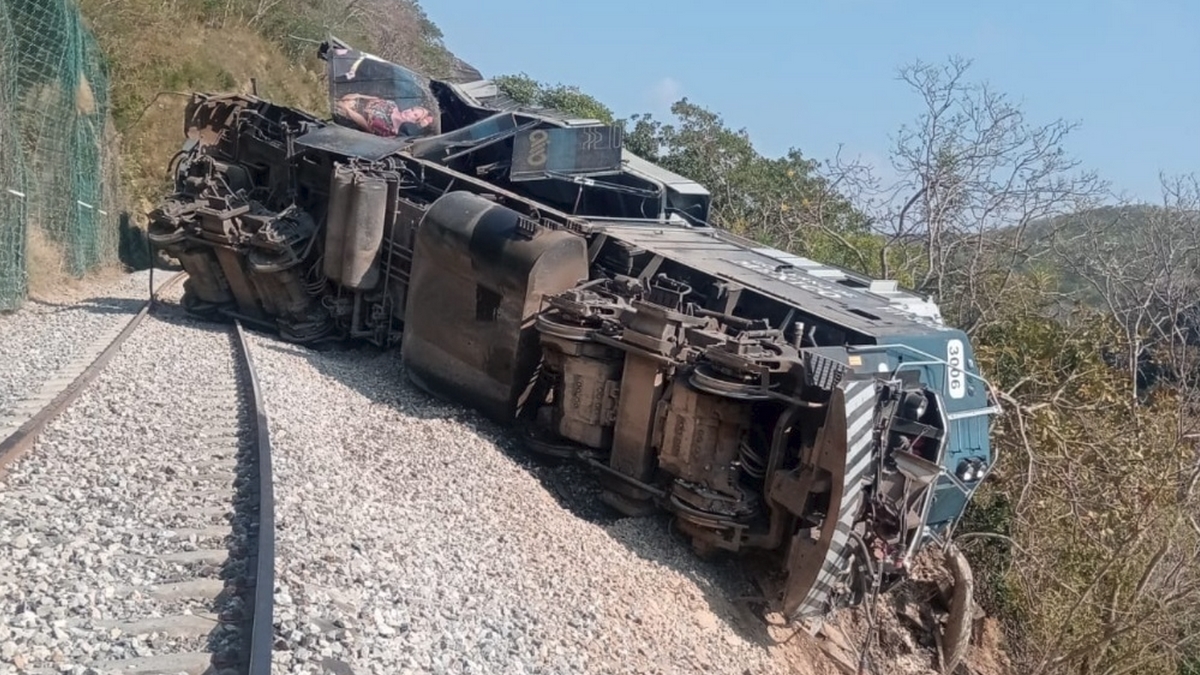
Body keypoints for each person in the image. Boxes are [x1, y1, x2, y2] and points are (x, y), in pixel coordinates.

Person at [333, 93, 435, 138]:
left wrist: (347, 109)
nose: (409, 112)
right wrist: (358, 95)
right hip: (348, 102)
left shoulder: (391, 131)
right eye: (412, 109)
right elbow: (372, 98)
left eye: (415, 115)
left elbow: (364, 125)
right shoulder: (392, 104)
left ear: (414, 122)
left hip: (347, 117)